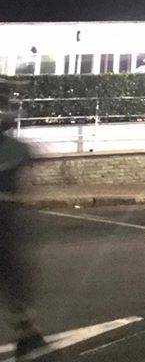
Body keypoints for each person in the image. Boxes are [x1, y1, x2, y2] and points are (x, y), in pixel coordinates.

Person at [0, 81, 46, 359]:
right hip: (7, 219)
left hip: (6, 219)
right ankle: (28, 333)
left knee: (13, 278)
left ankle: (28, 332)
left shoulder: (16, 148)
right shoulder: (17, 149)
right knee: (13, 278)